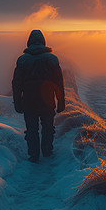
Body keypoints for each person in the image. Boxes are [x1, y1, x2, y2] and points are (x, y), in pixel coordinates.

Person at [12, 30, 65, 163]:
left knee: (31, 130)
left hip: (29, 102)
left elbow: (16, 84)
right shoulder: (52, 59)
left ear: (29, 42)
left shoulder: (22, 60)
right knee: (48, 127)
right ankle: (47, 151)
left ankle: (33, 155)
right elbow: (58, 82)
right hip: (47, 101)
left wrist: (17, 103)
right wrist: (61, 101)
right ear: (43, 42)